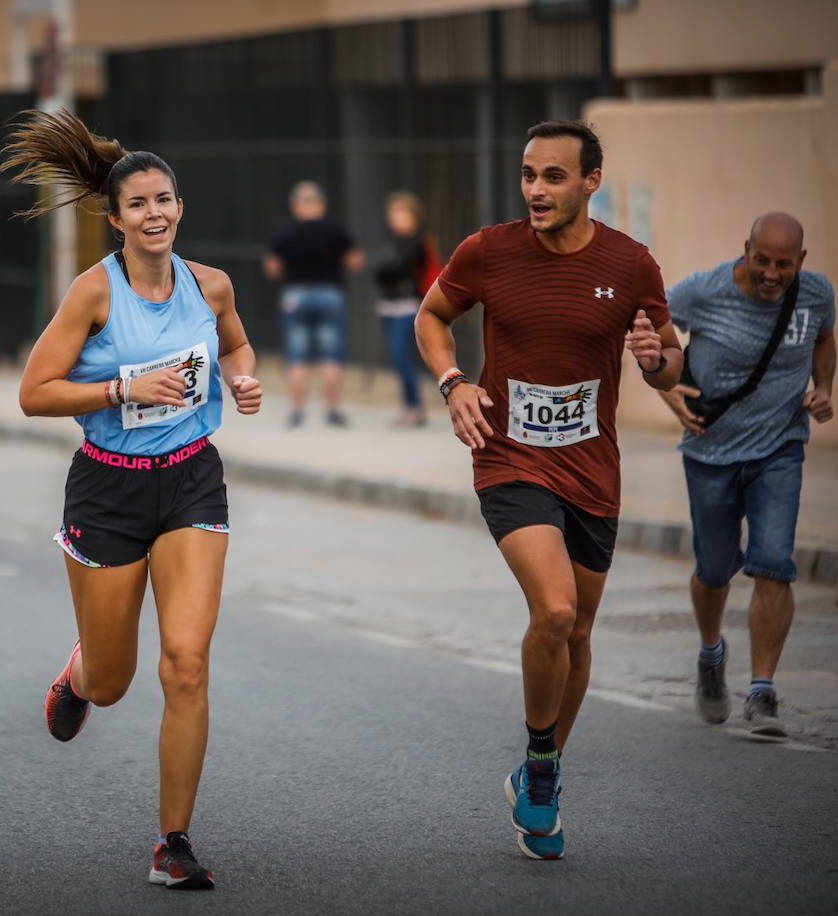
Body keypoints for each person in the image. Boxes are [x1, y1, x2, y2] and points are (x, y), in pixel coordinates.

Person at [0, 108, 261, 890]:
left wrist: (241, 377)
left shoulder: (211, 286)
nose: (156, 214)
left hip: (190, 478)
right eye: (139, 204)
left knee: (185, 663)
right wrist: (121, 386)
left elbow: (237, 342)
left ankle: (172, 842)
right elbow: (33, 393)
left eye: (166, 200)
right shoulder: (93, 294)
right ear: (114, 218)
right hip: (108, 486)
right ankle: (79, 676)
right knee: (115, 681)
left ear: (181, 207)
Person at [414, 120, 683, 860]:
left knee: (582, 630)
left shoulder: (631, 265)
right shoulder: (488, 251)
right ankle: (539, 767)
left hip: (593, 467)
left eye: (553, 177)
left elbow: (665, 362)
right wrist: (453, 383)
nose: (536, 189)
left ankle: (545, 766)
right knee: (556, 609)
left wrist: (657, 359)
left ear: (590, 181)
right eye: (529, 175)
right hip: (508, 457)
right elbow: (432, 316)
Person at [658, 213, 834, 740]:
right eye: (762, 261)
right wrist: (668, 392)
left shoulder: (817, 293)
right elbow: (652, 339)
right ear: (746, 251)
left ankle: (762, 692)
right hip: (710, 451)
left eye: (784, 264)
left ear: (801, 261)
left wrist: (824, 386)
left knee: (774, 563)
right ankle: (711, 653)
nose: (772, 274)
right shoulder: (703, 291)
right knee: (713, 570)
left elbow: (825, 338)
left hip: (780, 449)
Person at [263, 180, 361, 428]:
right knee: (331, 356)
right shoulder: (335, 230)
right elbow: (355, 260)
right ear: (322, 204)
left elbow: (272, 267)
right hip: (330, 293)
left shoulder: (286, 232)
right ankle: (332, 410)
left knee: (297, 357)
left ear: (295, 206)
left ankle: (297, 411)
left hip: (295, 295)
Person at [373, 191, 441, 428]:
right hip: (388, 306)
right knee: (397, 357)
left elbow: (395, 269)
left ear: (413, 216)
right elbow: (380, 272)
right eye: (393, 214)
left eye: (400, 214)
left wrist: (389, 269)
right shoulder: (391, 241)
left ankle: (416, 407)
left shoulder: (419, 242)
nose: (395, 219)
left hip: (408, 306)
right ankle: (410, 406)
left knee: (402, 356)